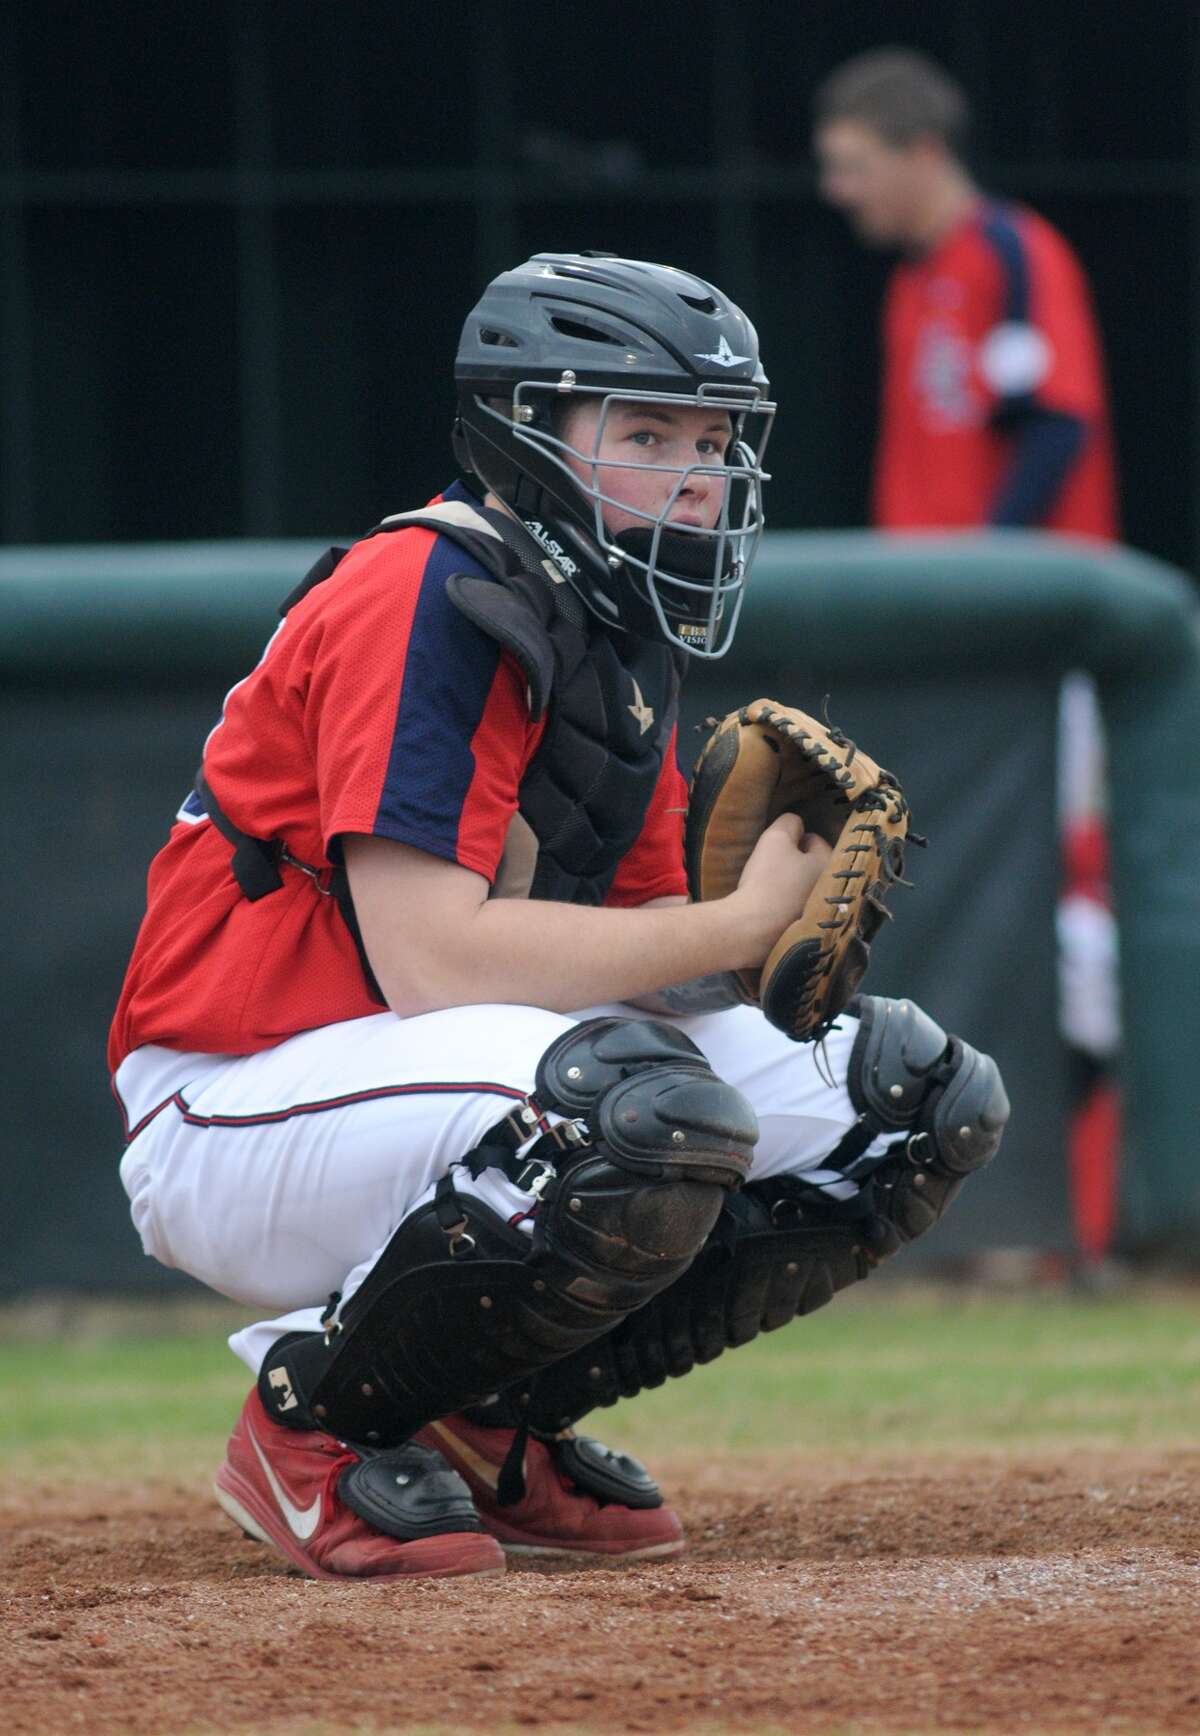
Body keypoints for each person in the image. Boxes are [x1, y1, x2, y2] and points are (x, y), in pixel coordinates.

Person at [110, 251, 1008, 1584]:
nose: (694, 475)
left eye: (709, 440)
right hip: (233, 1097)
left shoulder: (608, 615)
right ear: (526, 432)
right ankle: (316, 1420)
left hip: (426, 1082)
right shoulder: (420, 591)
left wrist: (759, 948)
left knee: (914, 1098)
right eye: (645, 433)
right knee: (633, 1109)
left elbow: (636, 948)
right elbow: (434, 962)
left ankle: (485, 1420)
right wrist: (724, 928)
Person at [814, 52, 1122, 1273]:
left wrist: (986, 584)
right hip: (964, 644)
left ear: (917, 149)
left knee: (1077, 902)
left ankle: (1097, 1212)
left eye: (852, 163)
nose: (842, 191)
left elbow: (1058, 426)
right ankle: (994, 1204)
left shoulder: (1006, 249)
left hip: (1036, 637)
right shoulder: (916, 283)